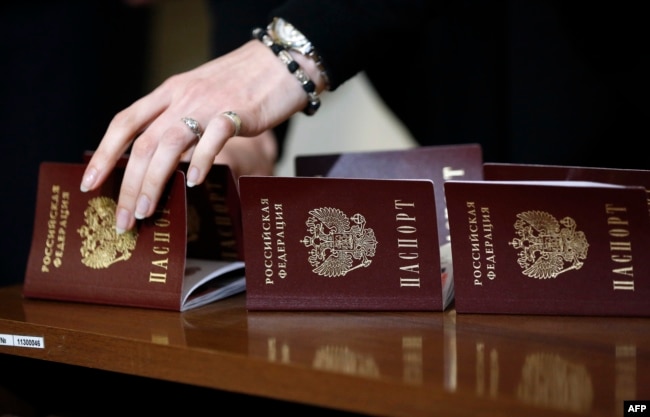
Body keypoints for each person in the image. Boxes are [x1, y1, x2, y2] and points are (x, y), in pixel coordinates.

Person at [81, 0, 649, 235]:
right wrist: (222, 154)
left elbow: (260, 71)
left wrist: (286, 55)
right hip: (505, 196)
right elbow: (248, 123)